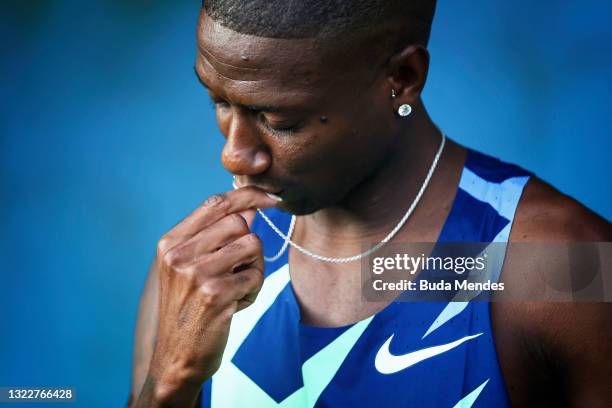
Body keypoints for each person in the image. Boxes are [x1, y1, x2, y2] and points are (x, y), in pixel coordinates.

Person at [128, 1, 612, 406]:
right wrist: (168, 385)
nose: (233, 154)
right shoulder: (200, 264)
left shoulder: (563, 264)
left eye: (279, 120)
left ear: (402, 78)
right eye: (219, 101)